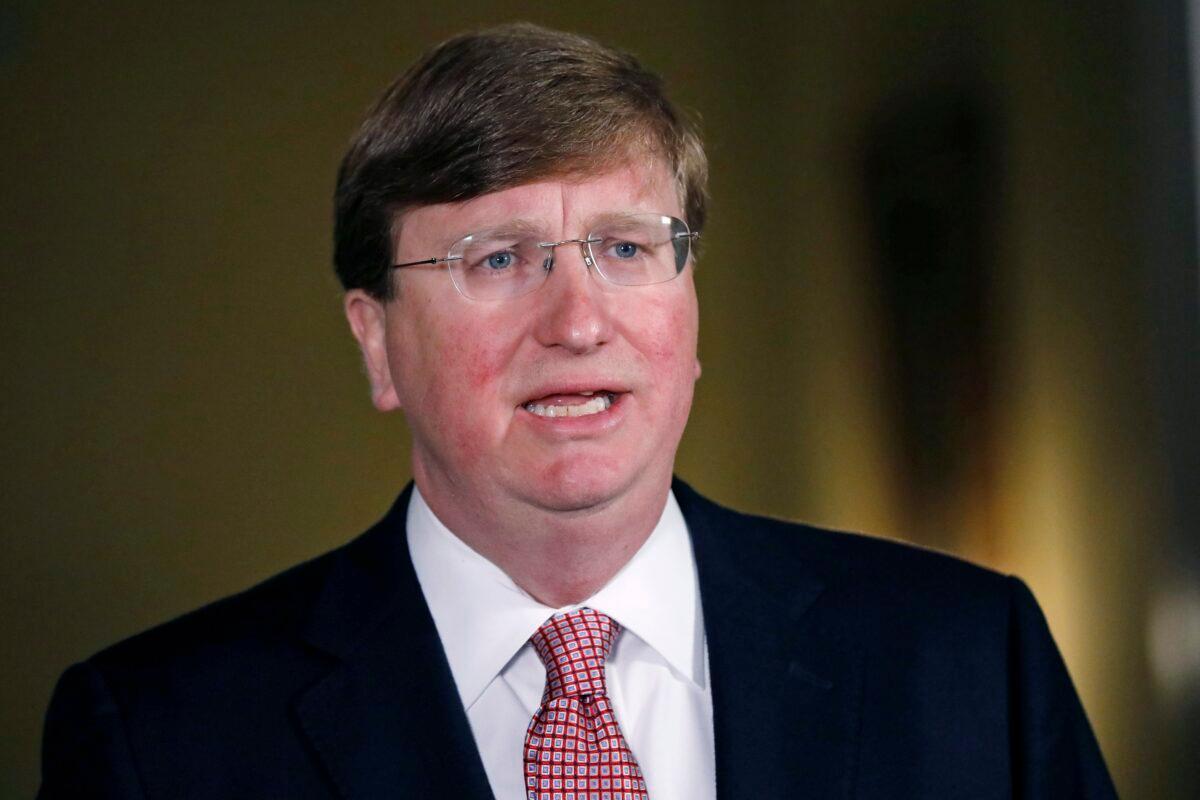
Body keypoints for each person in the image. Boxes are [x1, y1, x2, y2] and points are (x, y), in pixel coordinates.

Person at [38, 23, 1118, 800]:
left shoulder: (972, 661)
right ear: (377, 341)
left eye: (626, 247)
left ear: (689, 310)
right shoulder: (159, 736)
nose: (577, 319)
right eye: (498, 257)